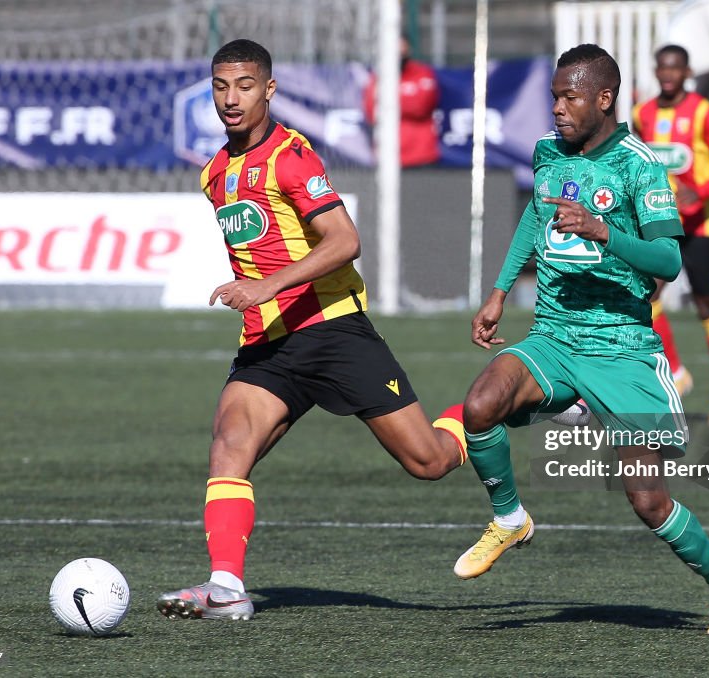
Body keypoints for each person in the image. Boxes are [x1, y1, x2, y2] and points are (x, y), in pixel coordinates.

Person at [453, 44, 709, 635]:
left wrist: (602, 230)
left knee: (647, 499)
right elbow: (533, 218)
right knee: (480, 403)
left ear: (604, 98)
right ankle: (510, 517)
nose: (558, 108)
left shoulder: (639, 165)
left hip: (621, 347)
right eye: (554, 97)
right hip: (554, 335)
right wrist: (498, 290)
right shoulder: (549, 152)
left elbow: (668, 260)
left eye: (570, 97)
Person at [156, 39, 467, 621]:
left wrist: (267, 286)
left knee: (430, 461)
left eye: (245, 85)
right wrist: (260, 299)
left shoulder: (291, 157)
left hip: (332, 330)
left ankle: (488, 408)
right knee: (229, 448)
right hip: (269, 345)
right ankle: (226, 588)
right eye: (222, 86)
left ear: (269, 90)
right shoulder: (215, 172)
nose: (231, 98)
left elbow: (345, 241)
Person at [632, 44, 709, 427]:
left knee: (707, 306)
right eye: (662, 68)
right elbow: (635, 158)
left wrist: (704, 189)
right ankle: (676, 373)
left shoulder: (704, 113)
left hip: (701, 226)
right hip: (661, 222)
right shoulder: (642, 114)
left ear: (687, 71)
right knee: (648, 296)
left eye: (675, 68)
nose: (667, 75)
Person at [363, 34, 441, 167]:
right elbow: (371, 112)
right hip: (387, 156)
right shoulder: (378, 77)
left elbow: (421, 107)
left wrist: (387, 103)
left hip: (421, 156)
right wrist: (404, 99)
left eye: (401, 49)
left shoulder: (423, 73)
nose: (398, 54)